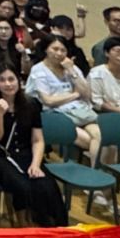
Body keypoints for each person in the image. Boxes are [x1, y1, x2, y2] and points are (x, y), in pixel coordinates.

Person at [0, 65, 68, 227]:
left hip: (26, 153)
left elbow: (38, 140)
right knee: (21, 185)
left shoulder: (31, 103)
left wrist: (36, 165)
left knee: (47, 186)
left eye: (11, 79)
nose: (8, 84)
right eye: (2, 80)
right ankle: (24, 225)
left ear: (18, 81)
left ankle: (52, 227)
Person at [25, 36, 101, 167]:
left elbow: (87, 94)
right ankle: (92, 172)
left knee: (99, 137)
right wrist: (75, 94)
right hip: (55, 115)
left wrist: (71, 71)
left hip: (81, 113)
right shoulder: (38, 69)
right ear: (46, 50)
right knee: (90, 142)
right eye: (55, 49)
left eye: (63, 50)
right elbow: (48, 100)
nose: (59, 53)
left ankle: (96, 173)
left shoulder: (71, 67)